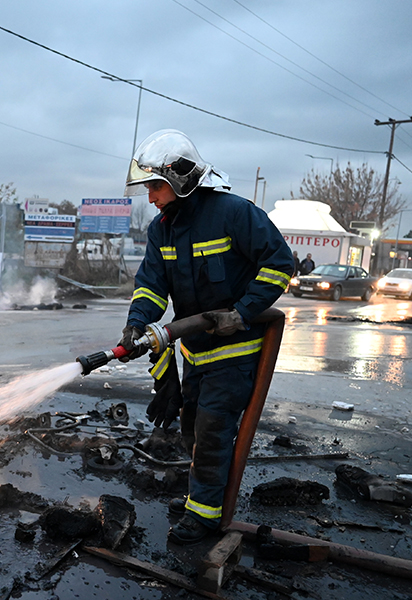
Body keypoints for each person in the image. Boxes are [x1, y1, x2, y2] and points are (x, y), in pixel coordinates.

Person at [117, 129, 294, 544]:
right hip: (194, 352)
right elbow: (151, 285)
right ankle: (202, 497)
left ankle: (206, 518)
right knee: (193, 429)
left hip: (235, 352)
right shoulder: (163, 230)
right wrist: (136, 322)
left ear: (180, 179)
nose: (150, 197)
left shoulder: (234, 213)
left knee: (214, 432)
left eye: (156, 187)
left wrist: (243, 312)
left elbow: (279, 263)